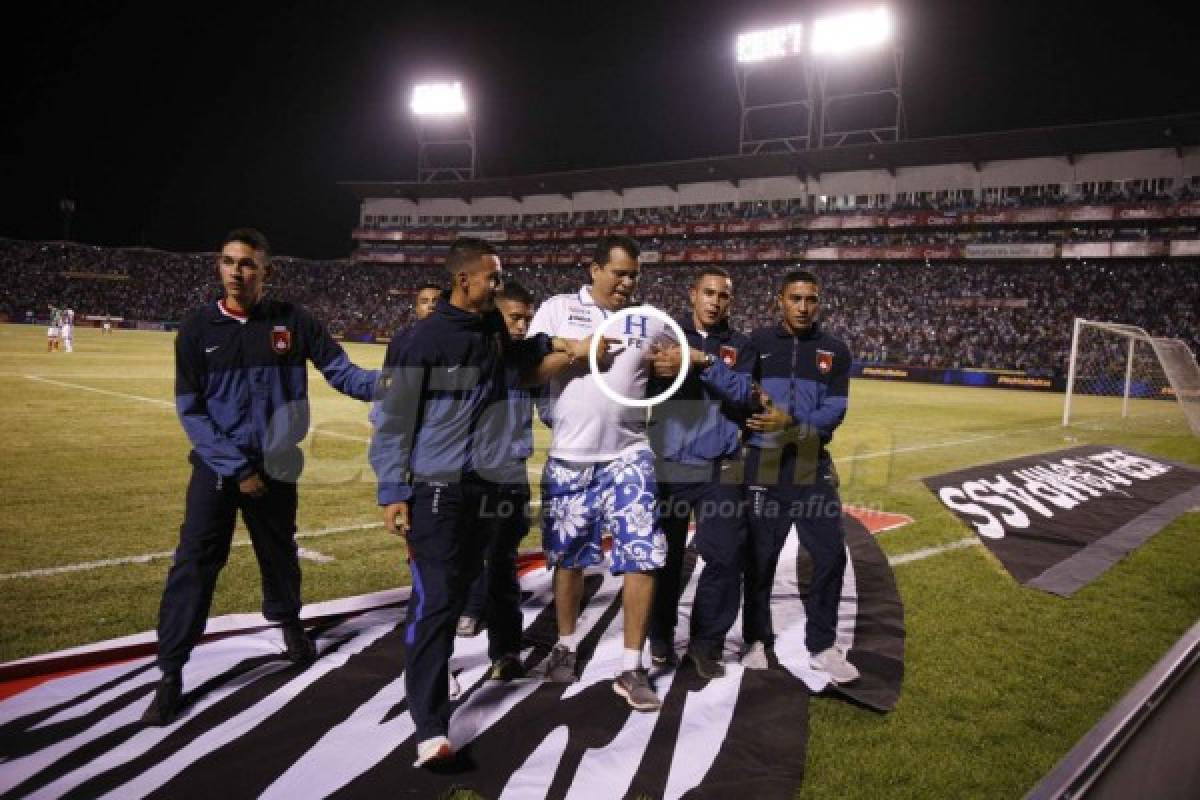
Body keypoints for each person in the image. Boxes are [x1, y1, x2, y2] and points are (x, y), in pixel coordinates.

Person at [143, 228, 380, 726]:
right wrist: (238, 469)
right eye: (229, 262)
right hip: (218, 467)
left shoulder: (293, 321)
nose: (237, 271)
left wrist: (392, 383)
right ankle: (170, 673)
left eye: (248, 263)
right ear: (219, 267)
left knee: (279, 550)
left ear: (266, 270)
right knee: (195, 564)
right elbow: (191, 410)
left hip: (276, 465)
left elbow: (342, 372)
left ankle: (289, 622)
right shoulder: (197, 329)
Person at [370, 238, 590, 767]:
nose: (498, 284)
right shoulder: (419, 339)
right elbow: (393, 417)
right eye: (492, 277)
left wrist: (558, 345)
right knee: (437, 600)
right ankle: (430, 727)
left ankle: (481, 660)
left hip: (489, 488)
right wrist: (393, 490)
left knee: (476, 583)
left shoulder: (491, 330)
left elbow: (518, 355)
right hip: (438, 489)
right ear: (464, 280)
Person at [527, 234, 670, 712]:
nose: (627, 282)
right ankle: (567, 643)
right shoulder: (557, 309)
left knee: (642, 556)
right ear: (594, 269)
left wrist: (677, 362)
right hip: (570, 455)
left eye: (634, 275)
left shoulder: (648, 322)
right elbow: (528, 372)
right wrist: (579, 350)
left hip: (630, 455)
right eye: (619, 272)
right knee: (568, 559)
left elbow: (672, 366)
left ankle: (632, 665)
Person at [740, 269, 859, 685]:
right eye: (796, 299)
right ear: (780, 300)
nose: (803, 307)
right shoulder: (757, 343)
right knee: (759, 557)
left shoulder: (834, 350)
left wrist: (791, 424)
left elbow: (835, 411)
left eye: (811, 299)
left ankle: (823, 645)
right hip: (763, 462)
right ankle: (755, 639)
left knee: (829, 553)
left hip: (809, 459)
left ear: (819, 302)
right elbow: (738, 393)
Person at [646, 267, 757, 679]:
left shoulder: (741, 348)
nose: (714, 301)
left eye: (722, 296)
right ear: (692, 294)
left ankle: (705, 645)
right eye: (707, 293)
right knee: (665, 559)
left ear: (730, 301)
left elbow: (747, 394)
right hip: (669, 467)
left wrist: (703, 361)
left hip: (721, 468)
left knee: (725, 557)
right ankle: (659, 637)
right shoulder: (664, 337)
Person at [456, 281, 537, 639]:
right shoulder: (476, 355)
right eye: (515, 318)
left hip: (514, 471)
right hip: (478, 470)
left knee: (504, 552)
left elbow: (548, 409)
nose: (521, 327)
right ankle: (472, 608)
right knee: (473, 547)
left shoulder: (527, 361)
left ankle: (505, 638)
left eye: (526, 320)